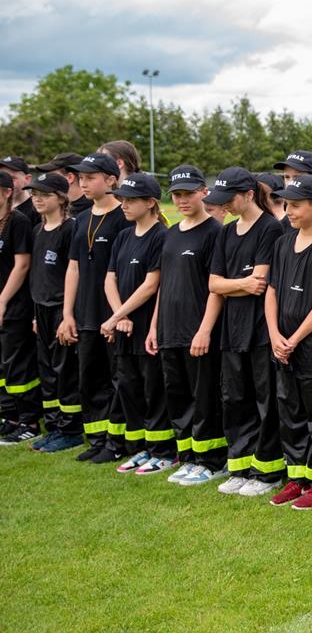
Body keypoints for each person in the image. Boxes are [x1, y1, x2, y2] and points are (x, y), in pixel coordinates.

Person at [264, 175, 312, 510]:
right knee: (290, 412)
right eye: (287, 204)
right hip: (283, 347)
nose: (289, 211)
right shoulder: (282, 244)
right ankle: (298, 478)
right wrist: (274, 335)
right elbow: (271, 292)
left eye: (296, 205)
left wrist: (294, 339)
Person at [206, 167, 286, 497]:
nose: (224, 205)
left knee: (264, 401)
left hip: (260, 330)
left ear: (249, 195)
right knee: (235, 398)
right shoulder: (226, 232)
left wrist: (229, 285)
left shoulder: (270, 228)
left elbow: (261, 283)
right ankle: (240, 466)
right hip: (232, 329)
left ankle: (267, 471)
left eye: (229, 199)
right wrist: (239, 283)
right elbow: (214, 284)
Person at [149, 165, 228, 486]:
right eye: (177, 195)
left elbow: (216, 288)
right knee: (178, 396)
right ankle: (189, 458)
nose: (182, 200)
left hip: (198, 331)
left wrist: (205, 330)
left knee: (204, 398)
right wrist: (154, 326)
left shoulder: (215, 232)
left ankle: (212, 461)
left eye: (188, 194)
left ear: (204, 193)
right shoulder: (170, 234)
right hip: (169, 329)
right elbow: (163, 284)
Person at [59, 154, 132, 463]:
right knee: (89, 379)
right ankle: (97, 438)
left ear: (111, 180)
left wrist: (119, 315)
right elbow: (73, 267)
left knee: (117, 379)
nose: (83, 183)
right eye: (81, 178)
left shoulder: (123, 218)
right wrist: (67, 314)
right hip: (85, 314)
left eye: (90, 177)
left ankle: (117, 442)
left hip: (113, 315)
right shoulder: (81, 219)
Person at [101, 173, 171, 474]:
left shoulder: (161, 236)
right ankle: (140, 448)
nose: (124, 205)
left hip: (147, 329)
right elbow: (109, 279)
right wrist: (120, 316)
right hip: (124, 326)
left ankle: (162, 452)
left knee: (153, 390)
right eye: (122, 199)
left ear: (150, 202)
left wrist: (116, 317)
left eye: (130, 200)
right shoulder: (123, 236)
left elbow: (151, 285)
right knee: (129, 388)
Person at [26, 172, 83, 452]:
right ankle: (54, 426)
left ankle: (71, 430)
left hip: (61, 309)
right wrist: (36, 315)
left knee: (65, 371)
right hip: (42, 309)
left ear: (61, 198)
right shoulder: (37, 230)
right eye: (34, 194)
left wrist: (67, 315)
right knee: (47, 371)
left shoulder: (71, 229)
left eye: (44, 195)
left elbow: (74, 273)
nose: (37, 199)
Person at [0, 170, 40, 446]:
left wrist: (2, 300)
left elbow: (22, 265)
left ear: (6, 192)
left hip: (15, 305)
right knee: (3, 365)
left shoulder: (18, 222)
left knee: (18, 365)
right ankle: (9, 415)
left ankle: (29, 421)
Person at [33, 152, 91, 217]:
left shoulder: (93, 208)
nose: (47, 180)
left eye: (52, 176)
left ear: (70, 177)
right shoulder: (50, 207)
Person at [1, 156, 37, 224]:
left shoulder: (37, 210)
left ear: (27, 179)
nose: (5, 183)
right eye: (1, 178)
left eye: (11, 178)